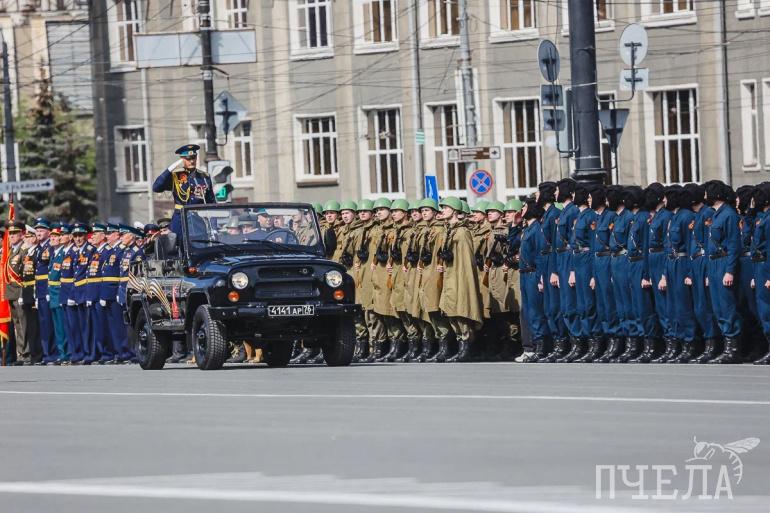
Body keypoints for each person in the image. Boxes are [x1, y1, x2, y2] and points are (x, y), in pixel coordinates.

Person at [437, 197, 483, 363]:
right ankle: (460, 344)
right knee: (451, 311)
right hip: (450, 276)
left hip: (459, 277)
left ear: (455, 210)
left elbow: (466, 261)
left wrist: (462, 279)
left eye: (446, 208)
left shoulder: (462, 232)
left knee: (461, 310)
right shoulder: (449, 230)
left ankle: (466, 346)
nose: (442, 210)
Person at [152, 144, 216, 239]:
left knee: (200, 244)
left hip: (198, 222)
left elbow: (212, 204)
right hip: (180, 221)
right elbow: (156, 187)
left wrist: (214, 227)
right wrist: (169, 170)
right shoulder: (175, 176)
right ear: (182, 159)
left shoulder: (204, 177)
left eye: (193, 158)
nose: (192, 161)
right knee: (178, 244)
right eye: (188, 158)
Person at [33, 218, 57, 364]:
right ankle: (46, 353)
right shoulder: (38, 248)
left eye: (41, 230)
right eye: (37, 230)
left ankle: (52, 353)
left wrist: (48, 290)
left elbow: (51, 270)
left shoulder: (50, 247)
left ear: (49, 232)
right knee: (43, 324)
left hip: (47, 289)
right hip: (40, 290)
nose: (38, 233)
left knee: (49, 323)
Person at [48, 224, 69, 363]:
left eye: (57, 236)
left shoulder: (63, 253)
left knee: (62, 325)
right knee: (57, 326)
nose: (54, 239)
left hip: (59, 292)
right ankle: (61, 352)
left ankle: (65, 353)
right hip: (52, 292)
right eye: (52, 236)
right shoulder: (54, 253)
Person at [4, 221, 25, 364]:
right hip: (11, 293)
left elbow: (25, 275)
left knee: (23, 325)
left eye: (14, 233)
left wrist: (23, 294)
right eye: (10, 233)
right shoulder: (11, 251)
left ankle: (25, 353)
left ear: (21, 234)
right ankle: (21, 353)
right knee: (17, 324)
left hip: (19, 292)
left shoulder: (23, 250)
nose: (11, 236)